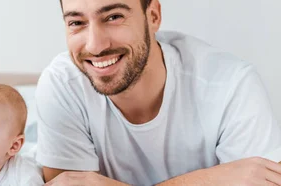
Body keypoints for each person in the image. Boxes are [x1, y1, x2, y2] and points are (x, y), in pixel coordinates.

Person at [36, 0, 281, 185]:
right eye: (77, 23)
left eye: (113, 17)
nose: (95, 45)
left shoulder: (230, 83)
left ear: (153, 16)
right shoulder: (63, 84)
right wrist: (208, 180)